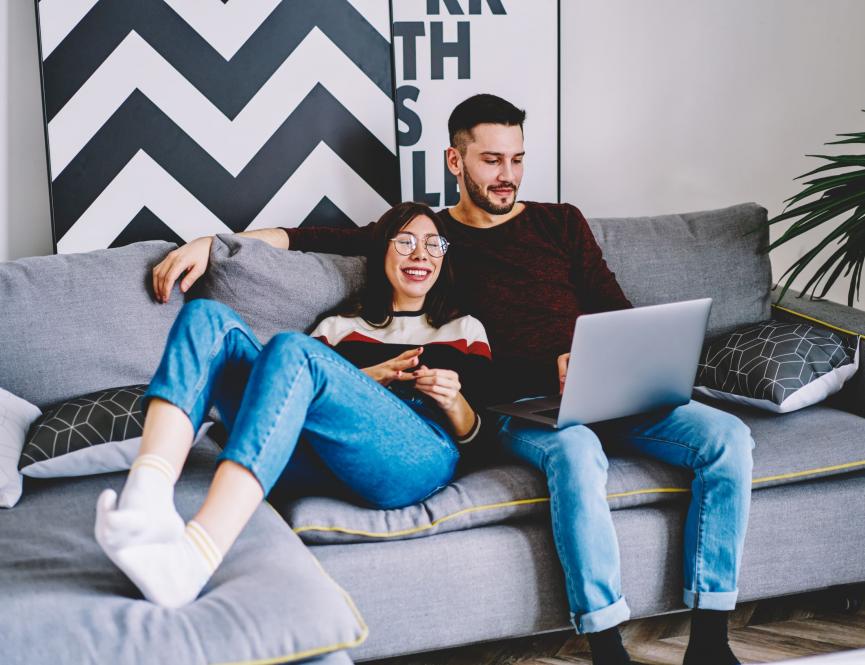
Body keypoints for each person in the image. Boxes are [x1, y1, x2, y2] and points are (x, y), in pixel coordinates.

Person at [152, 94, 754, 665]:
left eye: (517, 159)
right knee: (576, 450)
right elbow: (308, 239)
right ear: (455, 160)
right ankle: (605, 642)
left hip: (607, 385)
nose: (507, 175)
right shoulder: (435, 239)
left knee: (729, 439)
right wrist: (217, 244)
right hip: (522, 406)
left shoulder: (561, 223)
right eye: (491, 160)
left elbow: (614, 309)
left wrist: (620, 358)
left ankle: (709, 637)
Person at [96, 202, 491, 608]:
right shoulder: (339, 326)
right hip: (309, 451)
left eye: (433, 244)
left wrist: (453, 399)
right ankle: (147, 501)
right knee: (205, 316)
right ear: (382, 250)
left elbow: (480, 440)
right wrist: (367, 378)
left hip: (414, 453)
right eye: (405, 241)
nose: (420, 254)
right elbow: (292, 387)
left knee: (291, 347)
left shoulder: (464, 329)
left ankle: (195, 556)